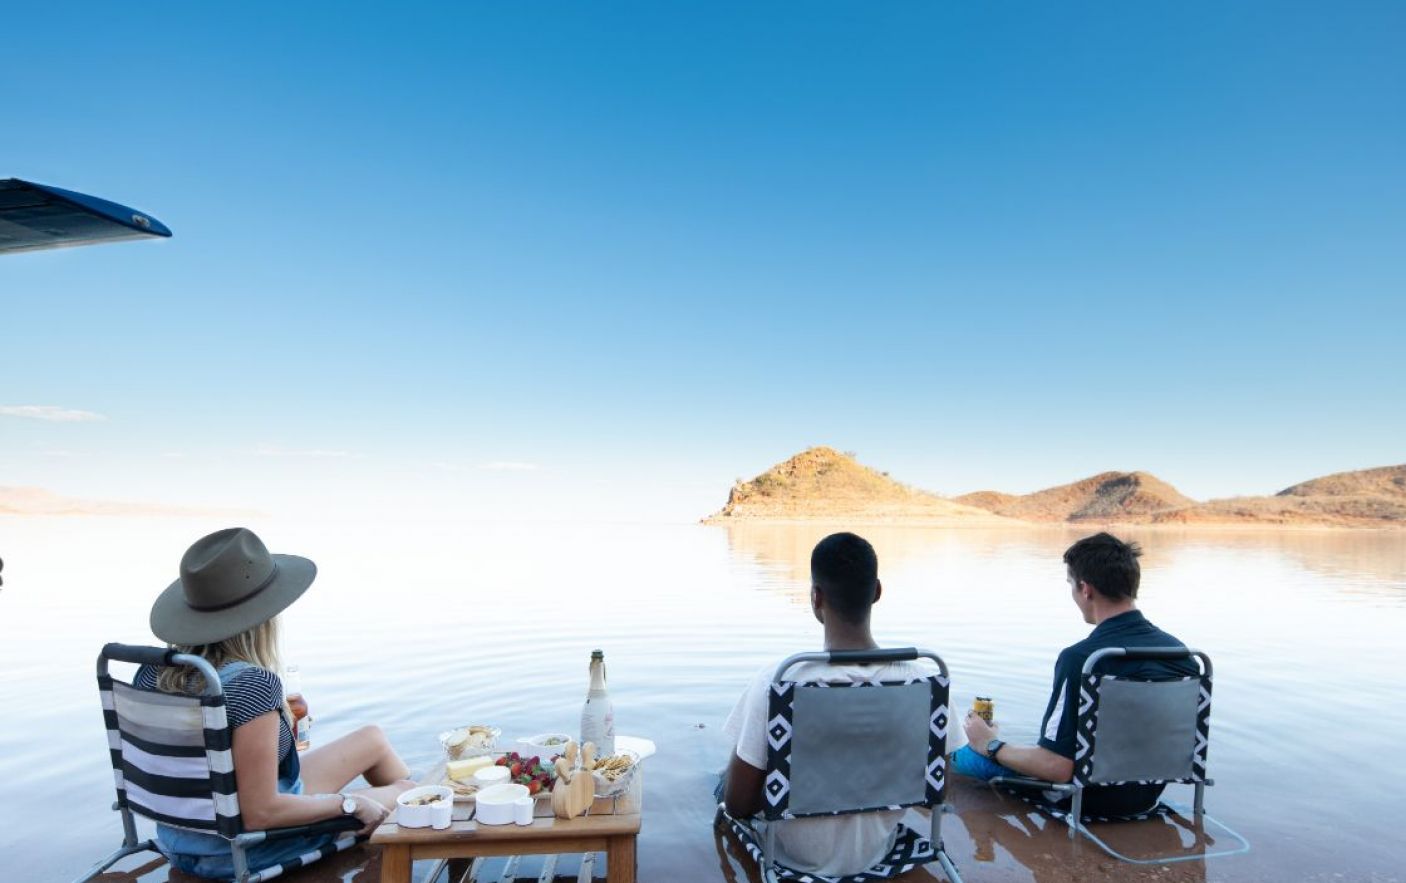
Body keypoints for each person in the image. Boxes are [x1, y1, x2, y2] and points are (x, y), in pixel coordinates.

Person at [138, 527, 416, 879]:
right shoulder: (252, 685)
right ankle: (416, 829)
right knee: (408, 793)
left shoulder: (154, 672)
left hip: (186, 838)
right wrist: (352, 803)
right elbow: (261, 814)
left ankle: (403, 818)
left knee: (372, 738)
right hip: (243, 848)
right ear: (263, 616)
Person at [720, 532, 939, 877]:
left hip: (790, 859)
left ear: (816, 597)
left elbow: (737, 805)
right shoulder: (922, 680)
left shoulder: (780, 681)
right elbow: (936, 789)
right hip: (876, 855)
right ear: (877, 592)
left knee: (724, 780)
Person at [955, 532, 1198, 817]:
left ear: (1085, 589)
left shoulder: (1084, 659)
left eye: (1071, 584)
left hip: (1083, 800)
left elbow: (1057, 768)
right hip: (1146, 797)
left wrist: (989, 744)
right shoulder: (1181, 656)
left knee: (960, 756)